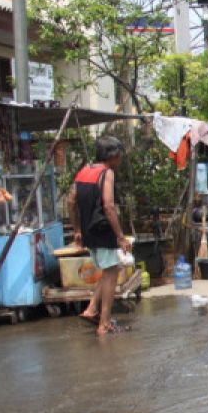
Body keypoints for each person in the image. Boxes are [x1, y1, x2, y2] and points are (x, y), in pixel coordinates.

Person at [68, 135, 133, 336]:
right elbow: (109, 205)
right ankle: (104, 323)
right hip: (103, 229)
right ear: (112, 156)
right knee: (112, 273)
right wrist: (120, 236)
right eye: (119, 155)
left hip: (88, 231)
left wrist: (77, 229)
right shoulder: (107, 173)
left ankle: (91, 309)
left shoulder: (84, 171)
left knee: (108, 270)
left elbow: (71, 201)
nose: (120, 160)